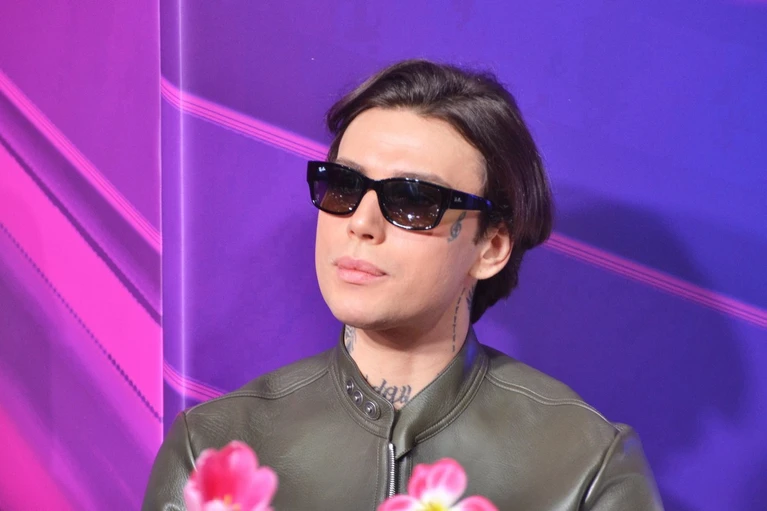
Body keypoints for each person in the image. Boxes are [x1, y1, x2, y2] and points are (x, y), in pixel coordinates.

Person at [143, 59, 664, 510]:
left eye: (412, 200)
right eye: (343, 185)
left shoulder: (584, 465)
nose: (361, 223)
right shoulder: (212, 448)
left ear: (491, 246)